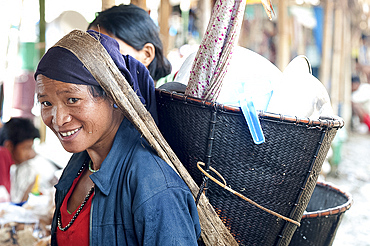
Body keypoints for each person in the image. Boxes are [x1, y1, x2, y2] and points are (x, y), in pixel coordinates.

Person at [34, 29, 201, 245]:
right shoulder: (80, 165)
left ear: (113, 96)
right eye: (46, 103)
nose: (58, 119)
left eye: (73, 99)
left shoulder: (155, 186)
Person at [88, 4, 172, 84]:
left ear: (147, 55)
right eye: (91, 56)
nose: (97, 66)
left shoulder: (174, 96)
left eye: (111, 55)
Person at [0, 117, 40, 201]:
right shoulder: (2, 156)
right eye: (26, 148)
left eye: (31, 147)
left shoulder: (11, 164)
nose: (30, 154)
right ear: (9, 146)